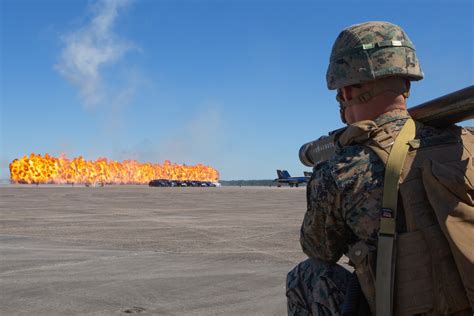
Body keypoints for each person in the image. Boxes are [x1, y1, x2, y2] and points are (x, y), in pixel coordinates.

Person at [286, 21, 473, 315]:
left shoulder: (343, 166)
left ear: (346, 91)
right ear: (407, 83)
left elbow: (319, 249)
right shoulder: (467, 142)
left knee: (307, 276)